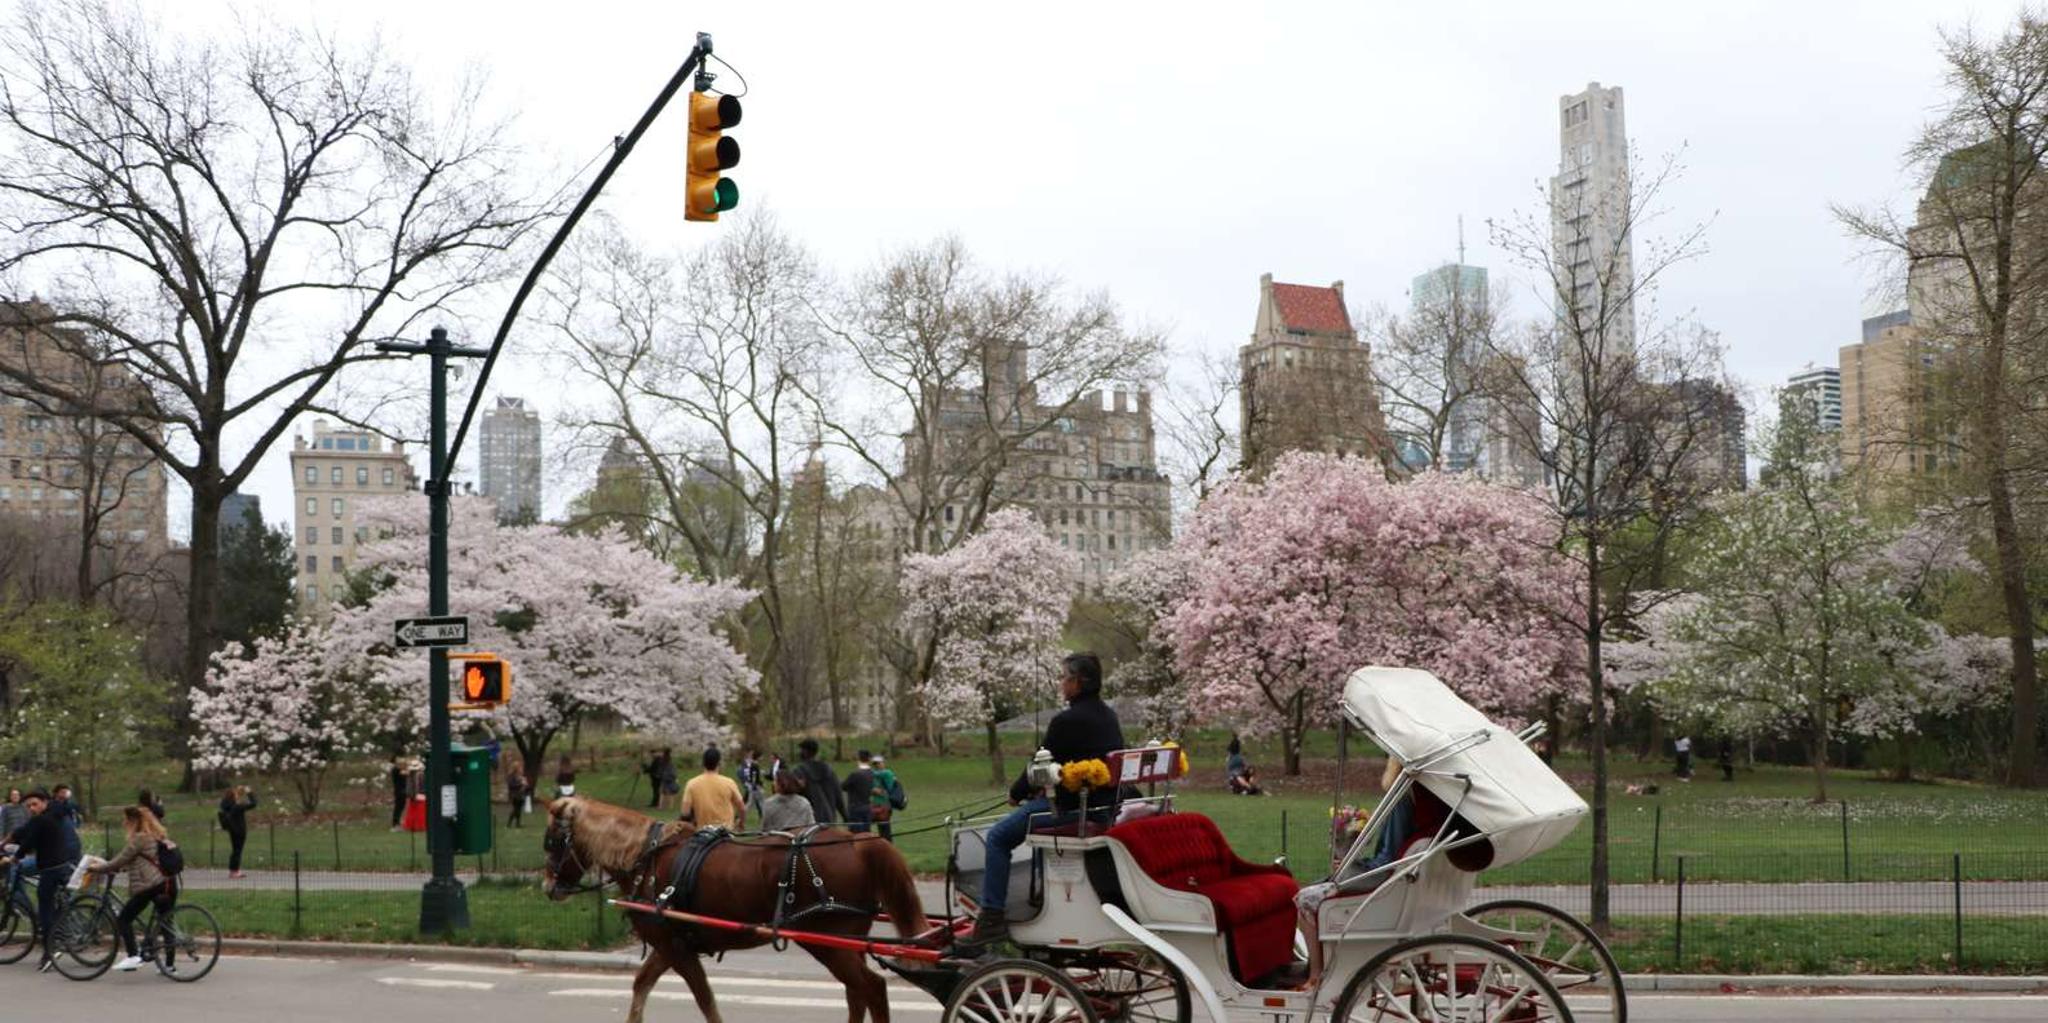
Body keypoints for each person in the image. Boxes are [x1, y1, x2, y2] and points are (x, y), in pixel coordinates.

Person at [965, 652, 1123, 948]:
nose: (1061, 683)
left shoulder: (1067, 720)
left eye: (1064, 677)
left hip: (1070, 811)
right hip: (1102, 809)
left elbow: (1039, 767)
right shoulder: (1108, 716)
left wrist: (1015, 793)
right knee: (1033, 820)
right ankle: (1040, 895)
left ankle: (992, 917)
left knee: (999, 837)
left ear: (1078, 682)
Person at [85, 806, 178, 973]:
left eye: (126, 820)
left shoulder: (139, 839)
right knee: (164, 923)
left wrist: (95, 868)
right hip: (167, 883)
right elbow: (139, 862)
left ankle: (133, 956)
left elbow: (119, 860)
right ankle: (170, 966)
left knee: (123, 919)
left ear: (133, 821)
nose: (124, 823)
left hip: (149, 885)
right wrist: (120, 868)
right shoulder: (156, 836)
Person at [3, 789, 75, 972]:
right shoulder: (54, 813)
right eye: (28, 806)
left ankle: (49, 953)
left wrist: (15, 857)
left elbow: (28, 842)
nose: (31, 808)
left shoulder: (43, 819)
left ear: (44, 802)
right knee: (56, 905)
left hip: (51, 869)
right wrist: (8, 840)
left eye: (34, 804)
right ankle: (60, 932)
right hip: (63, 864)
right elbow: (25, 830)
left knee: (45, 912)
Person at [677, 746, 747, 831]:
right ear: (719, 763)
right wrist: (741, 824)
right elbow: (742, 808)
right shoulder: (729, 783)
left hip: (703, 832)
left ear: (703, 763)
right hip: (725, 832)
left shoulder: (692, 784)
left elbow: (685, 812)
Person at [792, 739, 842, 825]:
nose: (799, 753)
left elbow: (794, 795)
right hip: (829, 818)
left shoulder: (799, 771)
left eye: (801, 750)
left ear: (806, 751)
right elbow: (838, 794)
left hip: (808, 819)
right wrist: (846, 816)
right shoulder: (829, 770)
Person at [216, 785, 257, 878]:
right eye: (235, 795)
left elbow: (226, 818)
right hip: (240, 832)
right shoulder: (237, 807)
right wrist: (249, 792)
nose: (237, 796)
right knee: (237, 851)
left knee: (235, 851)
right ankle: (235, 871)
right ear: (233, 797)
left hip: (233, 832)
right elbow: (253, 803)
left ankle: (233, 870)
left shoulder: (225, 806)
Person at [842, 751, 876, 834]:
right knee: (866, 834)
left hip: (855, 808)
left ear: (858, 759)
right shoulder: (872, 773)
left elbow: (843, 786)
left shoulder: (855, 774)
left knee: (856, 834)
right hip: (867, 807)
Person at [869, 754, 901, 842]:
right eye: (875, 764)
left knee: (884, 831)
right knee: (882, 830)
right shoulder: (873, 774)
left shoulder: (887, 773)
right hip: (875, 804)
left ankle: (887, 847)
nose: (877, 765)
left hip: (884, 805)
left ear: (883, 763)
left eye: (879, 763)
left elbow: (890, 788)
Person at [505, 761, 530, 828]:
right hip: (514, 795)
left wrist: (525, 785)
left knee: (519, 810)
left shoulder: (520, 776)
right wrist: (520, 784)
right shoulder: (511, 776)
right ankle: (509, 823)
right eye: (519, 767)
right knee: (515, 809)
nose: (521, 768)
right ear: (516, 768)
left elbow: (526, 785)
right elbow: (511, 785)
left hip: (520, 794)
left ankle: (518, 823)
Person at [388, 756, 409, 831]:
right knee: (398, 808)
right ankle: (395, 824)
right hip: (399, 791)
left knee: (400, 807)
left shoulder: (398, 769)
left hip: (402, 790)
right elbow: (406, 773)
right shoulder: (396, 770)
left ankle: (398, 823)